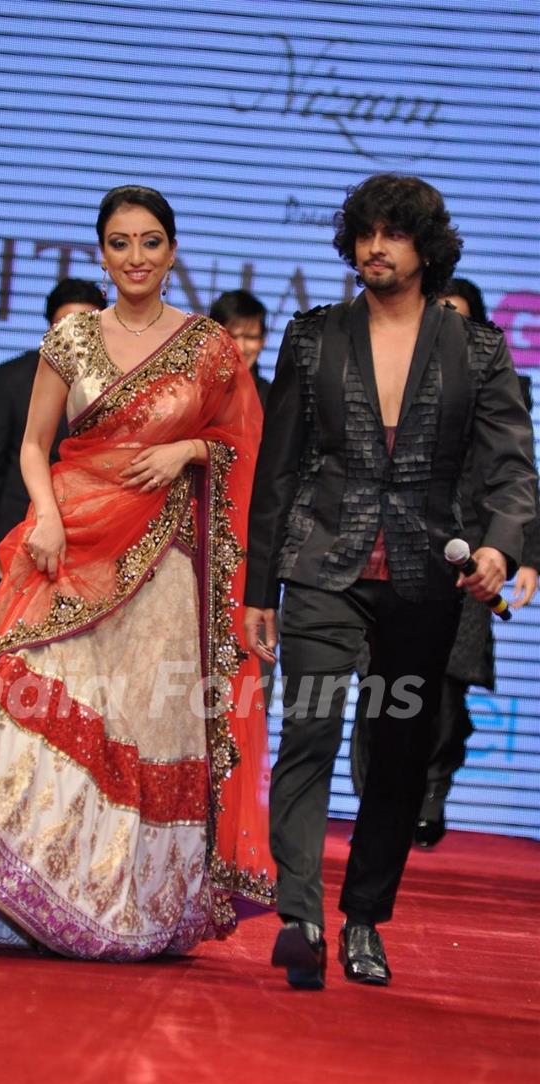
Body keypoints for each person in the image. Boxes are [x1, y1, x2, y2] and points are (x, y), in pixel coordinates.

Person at [0, 185, 275, 960]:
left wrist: (191, 450)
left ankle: (113, 902)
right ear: (101, 252)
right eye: (120, 243)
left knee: (137, 722)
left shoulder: (209, 347)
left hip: (165, 566)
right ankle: (12, 885)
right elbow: (31, 445)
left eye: (151, 242)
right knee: (24, 697)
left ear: (173, 252)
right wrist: (42, 514)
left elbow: (248, 447)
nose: (136, 257)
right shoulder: (72, 341)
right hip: (72, 540)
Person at [243, 174, 536, 990]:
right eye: (365, 233)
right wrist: (259, 589)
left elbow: (514, 466)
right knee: (308, 734)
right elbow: (279, 470)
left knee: (400, 756)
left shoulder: (476, 348)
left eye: (394, 234)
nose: (376, 247)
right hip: (322, 564)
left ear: (424, 246)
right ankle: (300, 911)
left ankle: (364, 918)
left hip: (423, 575)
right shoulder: (313, 336)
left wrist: (501, 549)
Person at [351, 278, 540, 846]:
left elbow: (518, 474)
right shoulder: (386, 377)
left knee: (447, 689)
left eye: (461, 318)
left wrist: (523, 554)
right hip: (390, 551)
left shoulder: (502, 386)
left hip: (472, 555)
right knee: (376, 685)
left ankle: (432, 788)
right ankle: (373, 802)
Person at [0, 278, 106, 592]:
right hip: (20, 539)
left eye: (85, 327)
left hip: (95, 547)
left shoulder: (116, 386)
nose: (74, 338)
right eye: (63, 326)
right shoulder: (12, 379)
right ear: (48, 330)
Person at [210, 289, 275, 712]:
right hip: (202, 546)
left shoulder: (277, 397)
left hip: (257, 554)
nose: (244, 346)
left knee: (251, 688)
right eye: (234, 335)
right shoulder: (195, 396)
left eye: (253, 336)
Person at [209, 289, 272, 409]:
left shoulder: (272, 399)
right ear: (211, 337)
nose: (240, 348)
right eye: (231, 336)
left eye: (250, 337)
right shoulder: (191, 393)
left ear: (263, 341)